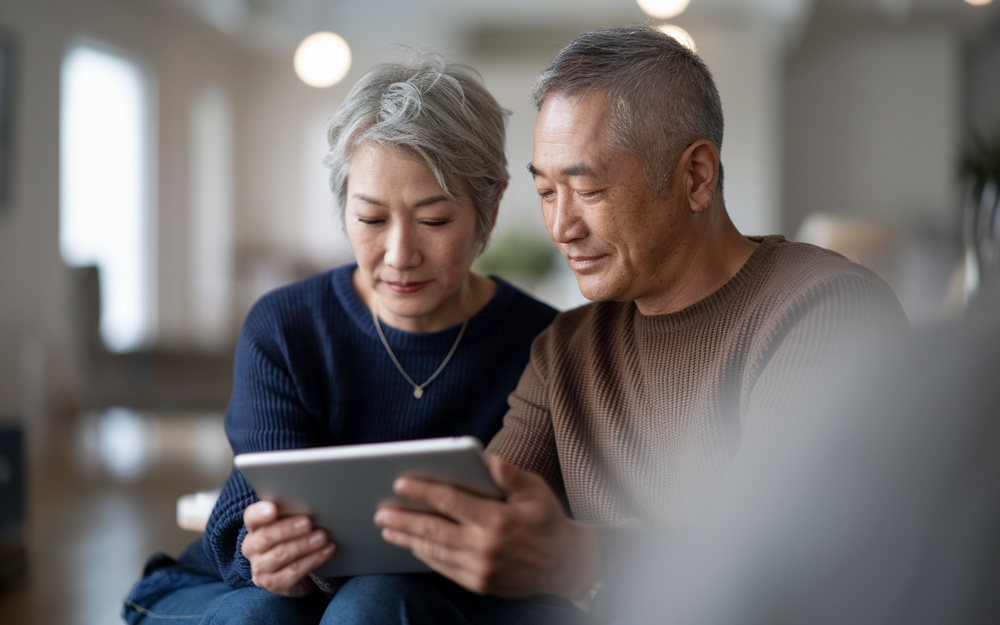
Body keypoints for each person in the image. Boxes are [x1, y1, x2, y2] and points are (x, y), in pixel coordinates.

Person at [371, 24, 911, 624]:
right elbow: (486, 521)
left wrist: (585, 560)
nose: (561, 228)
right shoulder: (567, 349)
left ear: (697, 177)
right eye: (547, 192)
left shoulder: (825, 312)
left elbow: (790, 568)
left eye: (588, 189)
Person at [121, 55, 560, 625]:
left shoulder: (543, 344)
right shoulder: (286, 326)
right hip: (246, 594)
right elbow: (251, 495)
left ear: (491, 207)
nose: (400, 255)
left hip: (443, 601)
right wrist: (263, 548)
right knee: (265, 612)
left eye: (433, 221)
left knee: (372, 604)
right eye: (372, 220)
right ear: (343, 208)